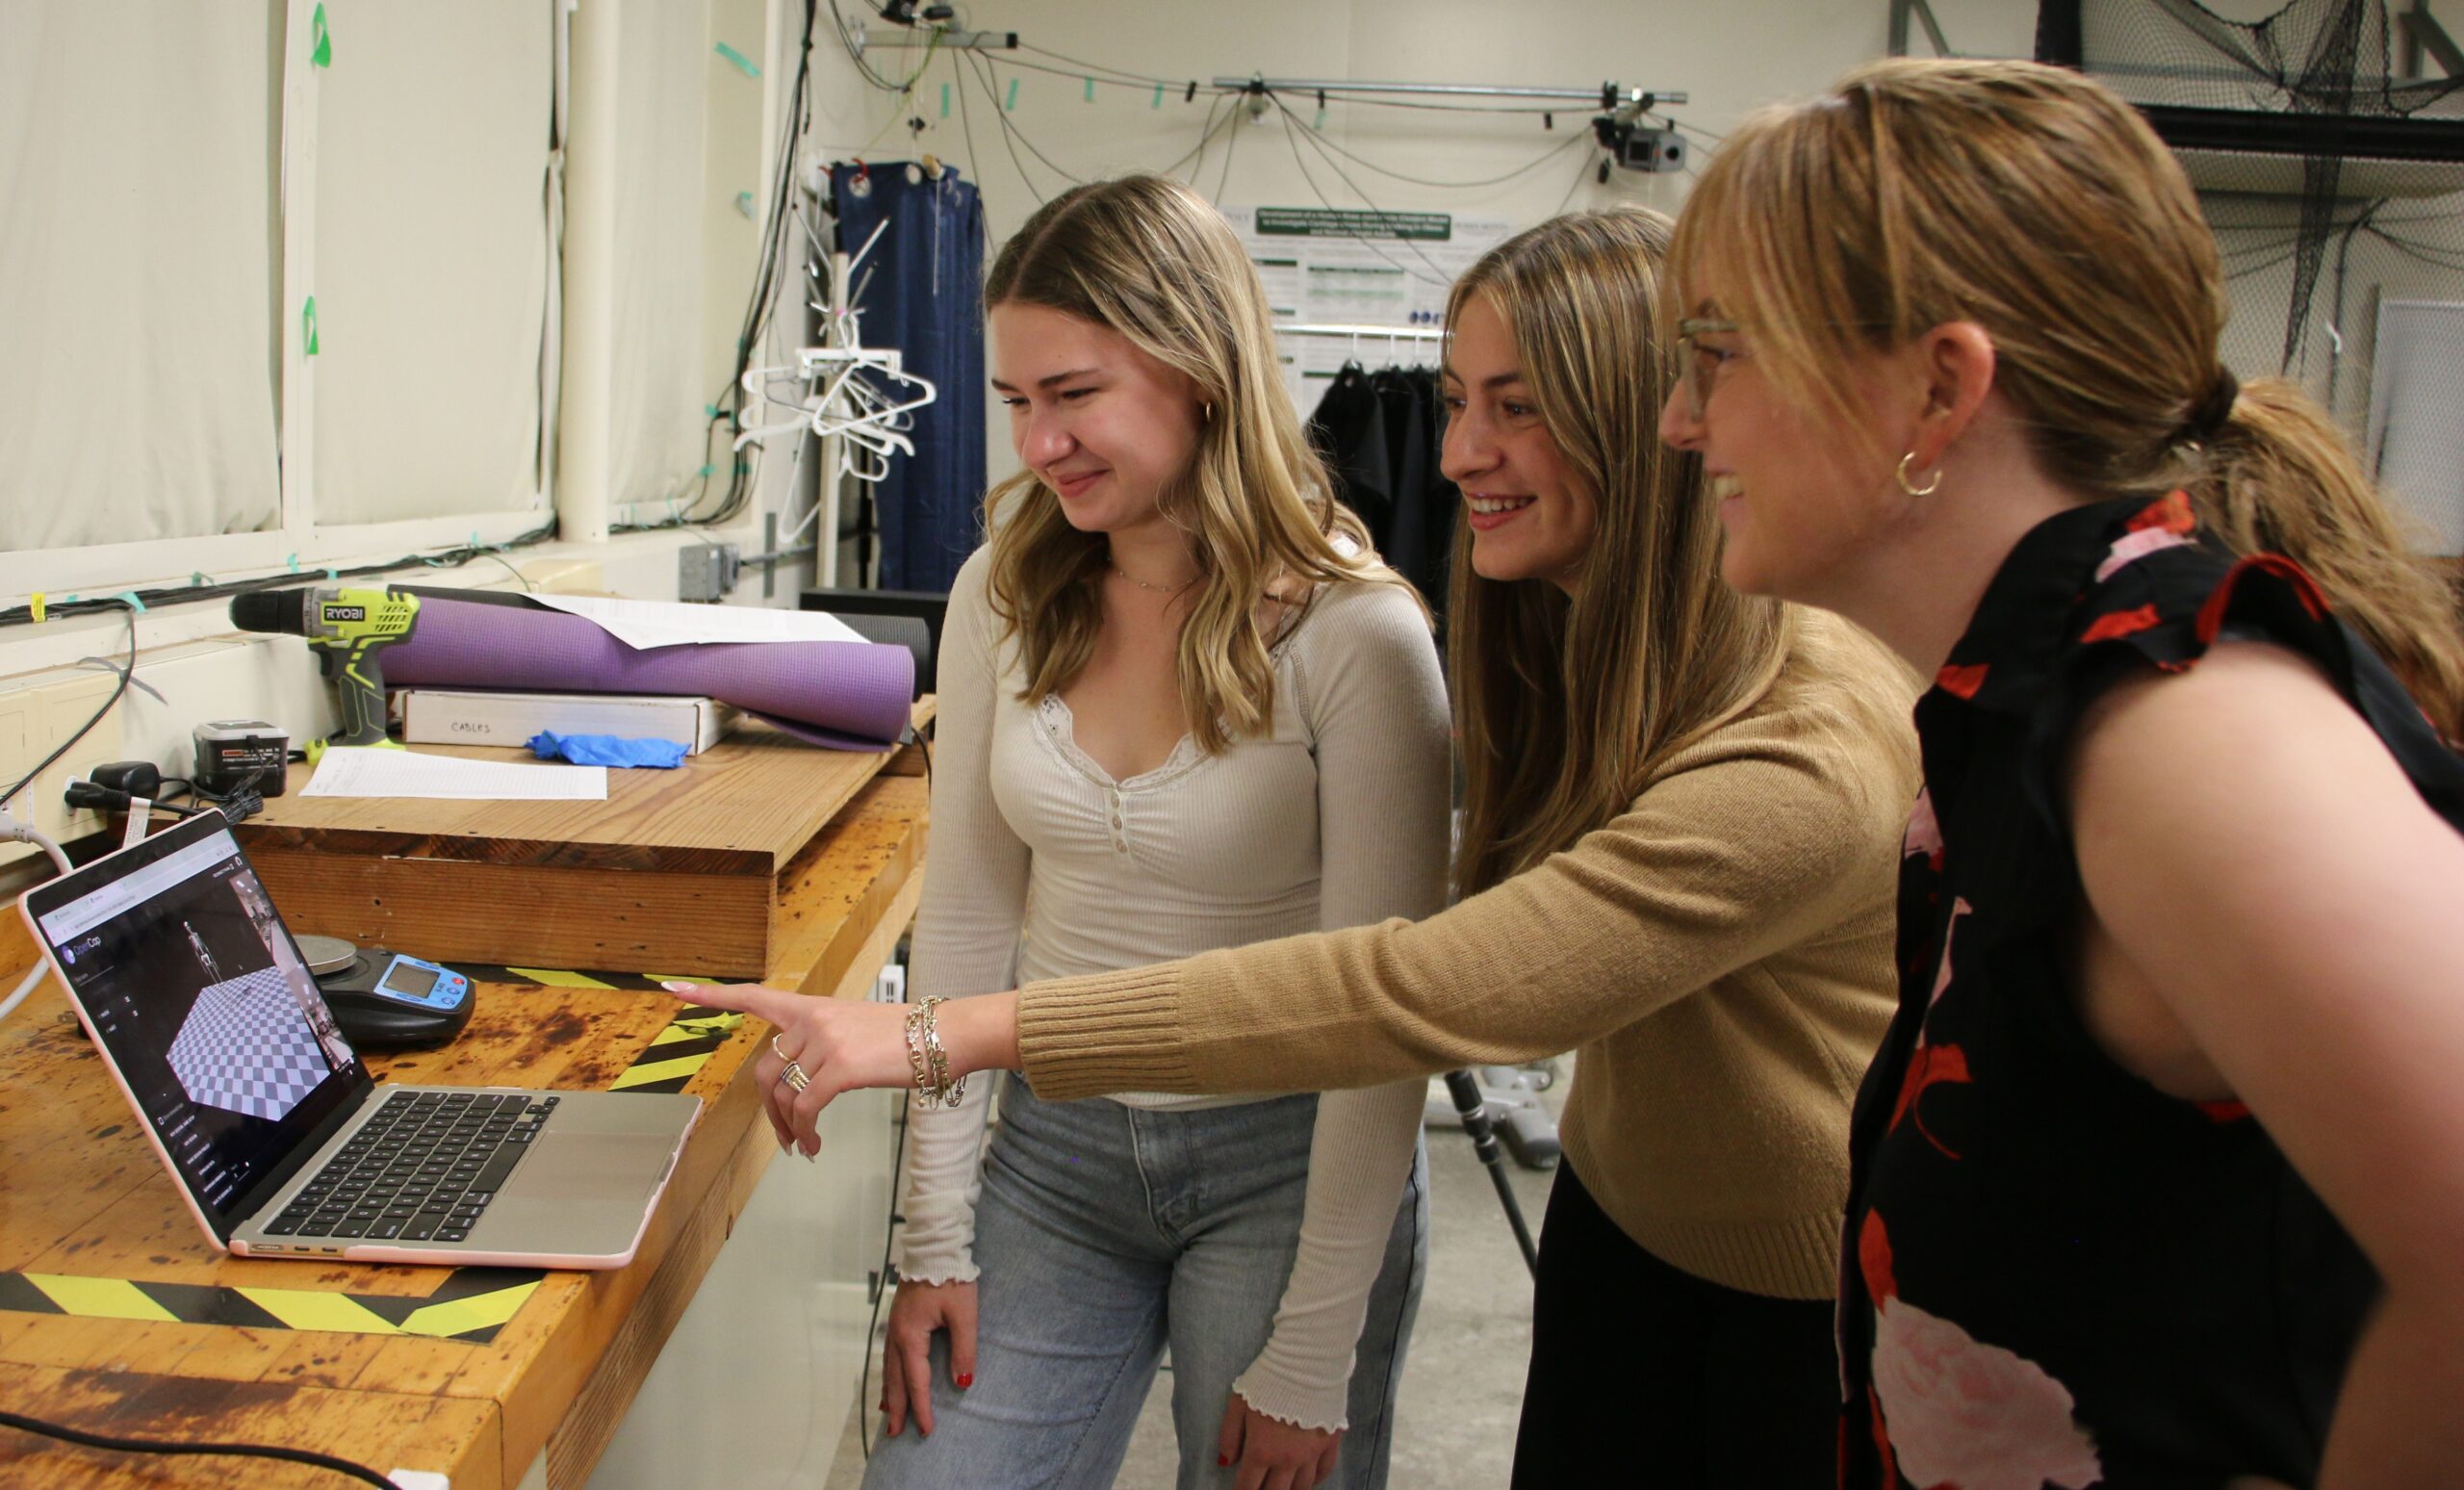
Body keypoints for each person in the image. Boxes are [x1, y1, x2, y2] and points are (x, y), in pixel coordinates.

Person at [678, 206, 1924, 1486]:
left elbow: (1411, 991)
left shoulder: (1756, 734)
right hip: (1594, 1214)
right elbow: (975, 898)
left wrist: (947, 1034)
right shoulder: (1558, 634)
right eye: (1454, 403)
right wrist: (934, 1227)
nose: (1453, 456)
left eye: (1515, 408)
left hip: (1755, 1262)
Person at [1656, 58, 2464, 1489]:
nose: (1683, 418)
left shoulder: (2175, 726)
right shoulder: (2031, 704)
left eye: (1723, 350)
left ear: (1938, 386)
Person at [836, 172, 1449, 1490]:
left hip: (1286, 1162)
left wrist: (1317, 1349)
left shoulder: (1359, 635)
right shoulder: (1004, 588)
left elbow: (1384, 1017)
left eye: (1073, 396)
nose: (1038, 444)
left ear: (1202, 375)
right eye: (1016, 404)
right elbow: (967, 914)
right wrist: (933, 1232)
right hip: (1053, 1158)